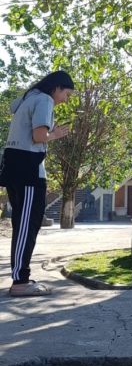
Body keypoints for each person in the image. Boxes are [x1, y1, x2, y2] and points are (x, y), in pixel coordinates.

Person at [0, 70, 74, 296]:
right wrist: (56, 134)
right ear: (57, 87)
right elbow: (39, 136)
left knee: (24, 224)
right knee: (27, 226)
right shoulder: (44, 100)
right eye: (67, 94)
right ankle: (20, 282)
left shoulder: (28, 98)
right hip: (27, 170)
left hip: (15, 167)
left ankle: (21, 277)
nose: (65, 100)